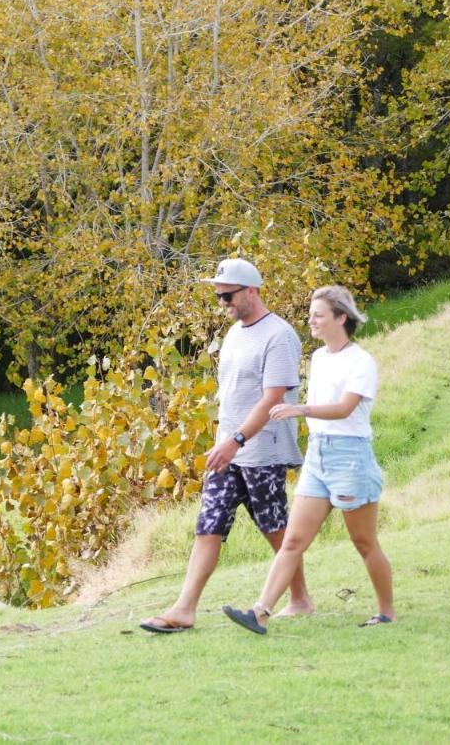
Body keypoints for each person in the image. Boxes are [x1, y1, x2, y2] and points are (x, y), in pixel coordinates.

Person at [139, 258, 313, 633]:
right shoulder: (234, 334)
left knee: (275, 528)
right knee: (209, 524)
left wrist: (237, 441)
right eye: (218, 297)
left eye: (228, 295)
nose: (223, 303)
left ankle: (299, 599)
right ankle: (184, 609)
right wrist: (225, 442)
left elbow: (272, 400)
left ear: (252, 290)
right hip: (228, 451)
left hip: (261, 450)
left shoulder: (278, 336)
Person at [223, 285, 395, 635]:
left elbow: (345, 408)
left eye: (318, 315)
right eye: (311, 314)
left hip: (350, 456)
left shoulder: (361, 362)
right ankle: (260, 612)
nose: (311, 321)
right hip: (318, 455)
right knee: (292, 541)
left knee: (364, 542)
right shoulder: (318, 358)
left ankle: (386, 612)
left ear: (341, 318)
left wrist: (298, 410)